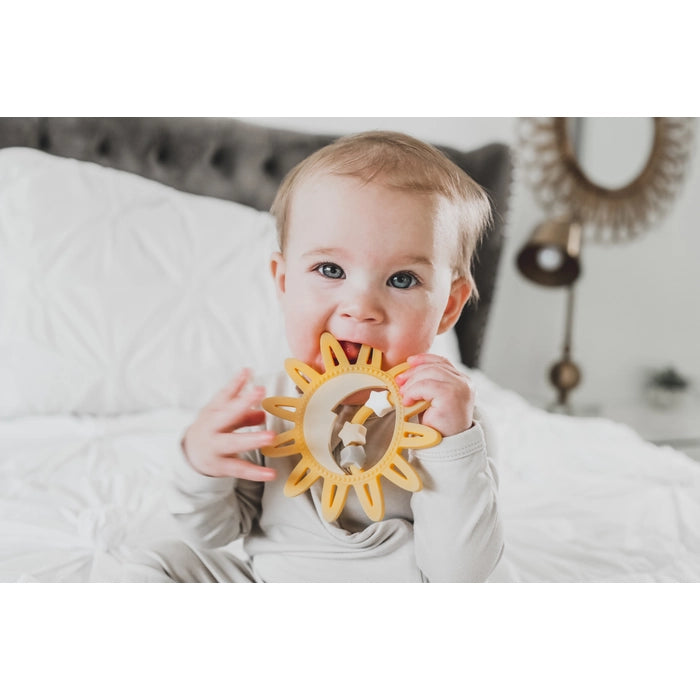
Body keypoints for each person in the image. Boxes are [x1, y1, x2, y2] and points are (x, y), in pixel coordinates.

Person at [129, 131, 503, 582]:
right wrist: (202, 468)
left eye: (402, 279)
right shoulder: (267, 407)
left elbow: (462, 575)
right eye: (331, 270)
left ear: (448, 306)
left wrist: (452, 446)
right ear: (284, 282)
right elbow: (214, 531)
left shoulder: (450, 423)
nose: (361, 307)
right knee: (156, 562)